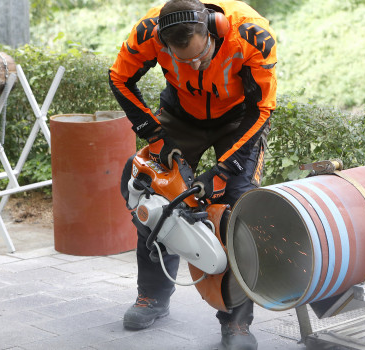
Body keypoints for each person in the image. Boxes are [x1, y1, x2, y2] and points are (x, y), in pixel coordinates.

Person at [109, 0, 277, 349]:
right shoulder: (147, 32)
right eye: (185, 59)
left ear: (216, 30)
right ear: (163, 42)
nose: (195, 64)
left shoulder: (252, 35)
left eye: (203, 56)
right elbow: (119, 77)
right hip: (180, 114)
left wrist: (224, 169)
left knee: (236, 210)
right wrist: (154, 135)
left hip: (238, 120)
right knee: (154, 197)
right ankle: (152, 297)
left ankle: (236, 322)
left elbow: (262, 109)